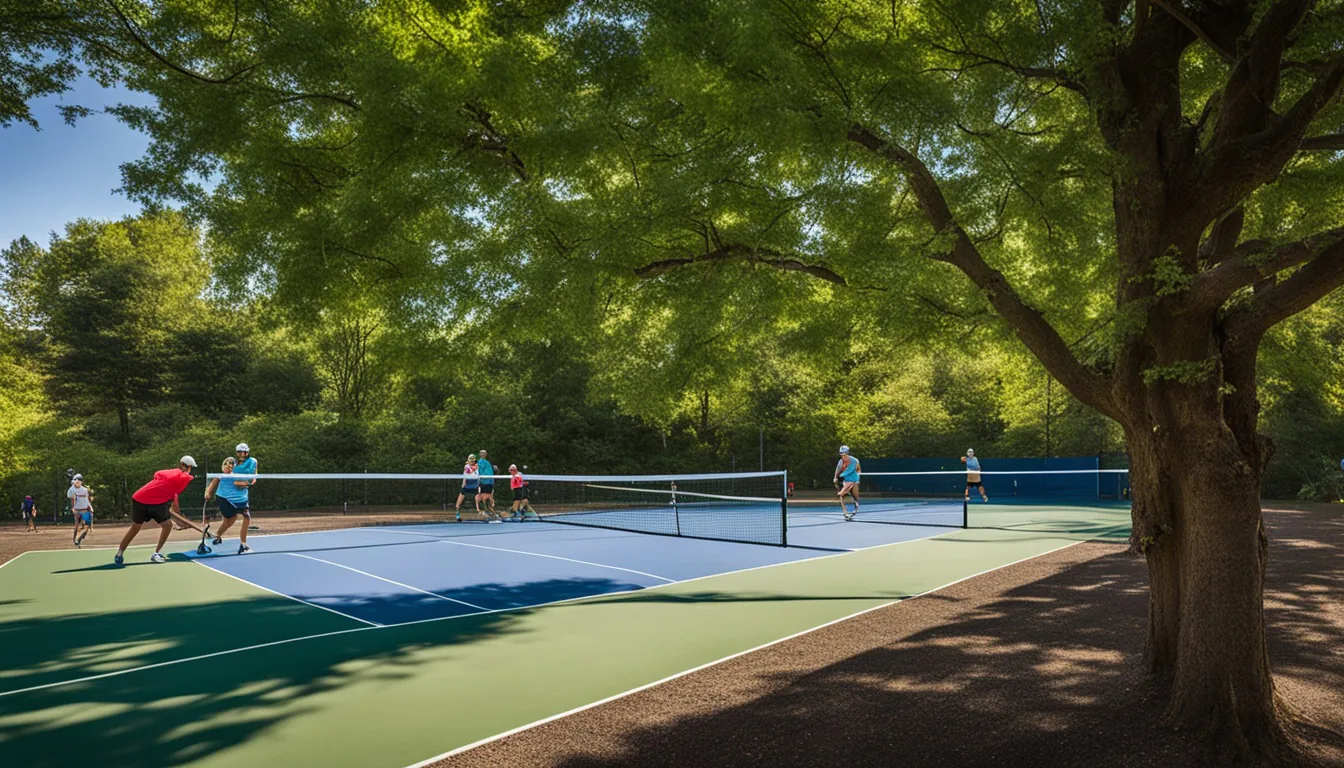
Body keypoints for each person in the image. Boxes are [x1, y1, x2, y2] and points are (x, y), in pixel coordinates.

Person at [114, 456, 209, 565]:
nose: (189, 470)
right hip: (141, 499)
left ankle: (156, 553)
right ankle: (120, 553)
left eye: (190, 468)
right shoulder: (180, 476)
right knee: (135, 527)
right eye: (189, 467)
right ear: (182, 465)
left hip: (156, 502)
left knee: (167, 525)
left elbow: (161, 478)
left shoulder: (171, 473)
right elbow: (185, 480)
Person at [205, 456, 252, 554]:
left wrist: (248, 482)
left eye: (230, 464)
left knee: (246, 517)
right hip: (225, 499)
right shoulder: (220, 476)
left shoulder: (239, 474)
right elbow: (213, 484)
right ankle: (218, 536)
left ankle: (243, 544)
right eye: (226, 464)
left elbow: (246, 482)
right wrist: (208, 492)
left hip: (240, 500)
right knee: (230, 520)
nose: (228, 466)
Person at [834, 445, 861, 521]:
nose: (842, 456)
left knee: (855, 497)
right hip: (845, 481)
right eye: (841, 454)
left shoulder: (855, 461)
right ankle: (845, 513)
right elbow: (837, 470)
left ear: (847, 453)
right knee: (842, 496)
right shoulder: (840, 462)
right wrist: (835, 478)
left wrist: (857, 480)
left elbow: (858, 470)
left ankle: (854, 510)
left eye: (844, 454)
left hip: (854, 481)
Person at [68, 474, 94, 547]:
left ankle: (79, 539)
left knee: (86, 527)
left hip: (85, 510)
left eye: (79, 480)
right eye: (76, 480)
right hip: (77, 509)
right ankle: (74, 539)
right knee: (76, 525)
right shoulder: (72, 490)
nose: (77, 482)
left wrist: (90, 506)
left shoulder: (85, 490)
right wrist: (73, 508)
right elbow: (72, 499)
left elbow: (87, 499)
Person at [454, 454, 481, 521]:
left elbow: (478, 475)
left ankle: (485, 513)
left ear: (474, 461)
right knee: (458, 504)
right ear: (468, 461)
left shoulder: (477, 466)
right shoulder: (466, 466)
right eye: (470, 461)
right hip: (466, 486)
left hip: (475, 486)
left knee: (483, 498)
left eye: (473, 461)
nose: (472, 462)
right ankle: (458, 515)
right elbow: (469, 471)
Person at [476, 449, 499, 522]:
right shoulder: (480, 462)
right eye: (481, 453)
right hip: (485, 483)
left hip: (489, 483)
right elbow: (480, 473)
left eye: (484, 453)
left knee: (489, 499)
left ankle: (492, 514)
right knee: (484, 499)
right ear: (479, 454)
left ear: (486, 454)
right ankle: (490, 514)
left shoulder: (487, 462)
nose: (483, 454)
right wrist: (481, 481)